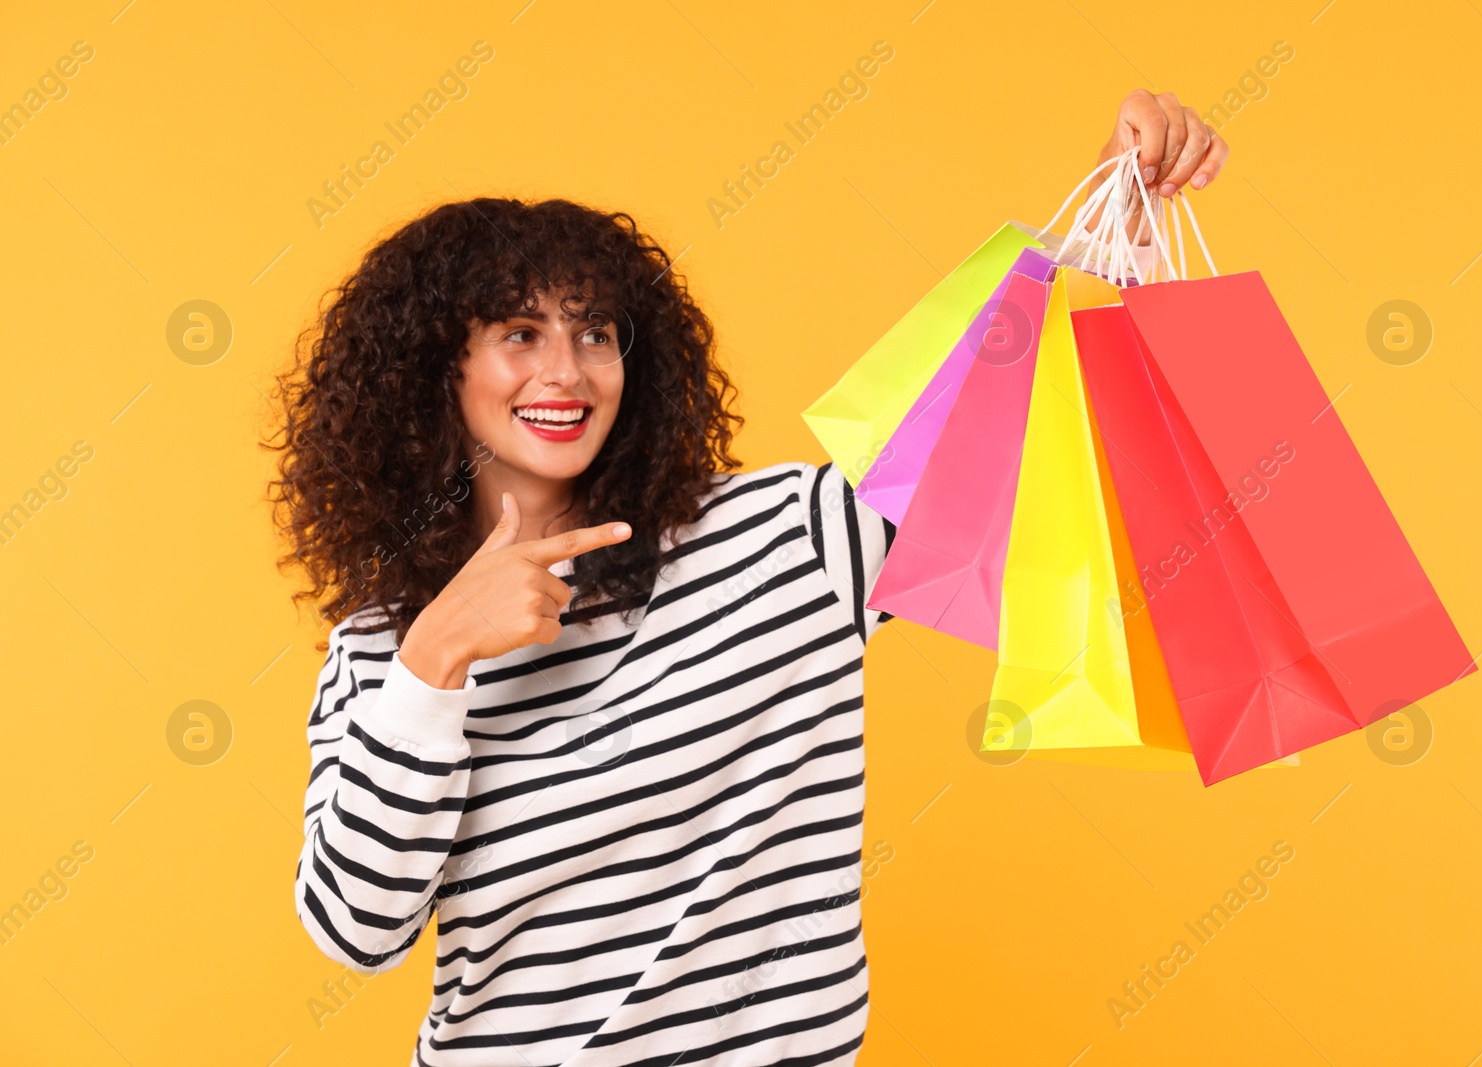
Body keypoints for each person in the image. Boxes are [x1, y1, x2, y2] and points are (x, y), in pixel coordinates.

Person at [269, 89, 1227, 1067]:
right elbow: (359, 930)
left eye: (595, 332)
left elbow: (1000, 427)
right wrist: (435, 663)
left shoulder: (785, 535)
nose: (567, 369)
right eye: (520, 333)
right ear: (440, 368)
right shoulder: (384, 651)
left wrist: (1115, 218)